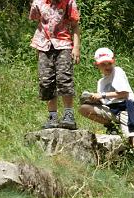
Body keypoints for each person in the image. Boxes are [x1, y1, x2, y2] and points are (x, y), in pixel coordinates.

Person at [78, 48, 134, 188]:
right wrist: (94, 99)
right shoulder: (101, 82)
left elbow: (124, 93)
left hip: (126, 109)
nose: (106, 67)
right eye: (103, 64)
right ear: (97, 65)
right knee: (84, 108)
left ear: (113, 62)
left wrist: (103, 96)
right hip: (112, 110)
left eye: (108, 63)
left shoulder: (118, 71)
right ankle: (111, 126)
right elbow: (106, 101)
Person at [29, 0, 81, 130]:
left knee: (64, 78)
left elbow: (75, 25)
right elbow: (37, 21)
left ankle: (69, 115)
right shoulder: (38, 3)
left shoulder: (68, 2)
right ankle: (52, 117)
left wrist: (76, 47)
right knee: (46, 81)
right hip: (43, 45)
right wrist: (38, 48)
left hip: (63, 44)